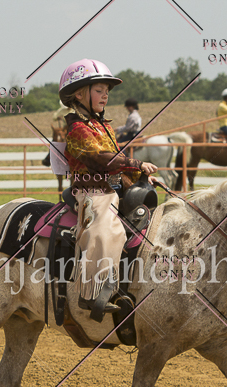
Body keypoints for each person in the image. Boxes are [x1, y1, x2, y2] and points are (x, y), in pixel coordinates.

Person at [58, 59, 158, 320]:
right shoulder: (77, 129)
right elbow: (101, 159)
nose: (105, 95)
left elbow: (117, 160)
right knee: (104, 229)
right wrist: (137, 163)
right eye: (99, 90)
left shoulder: (104, 126)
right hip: (93, 192)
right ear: (79, 95)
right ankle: (92, 293)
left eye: (107, 91)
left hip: (114, 188)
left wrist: (141, 177)